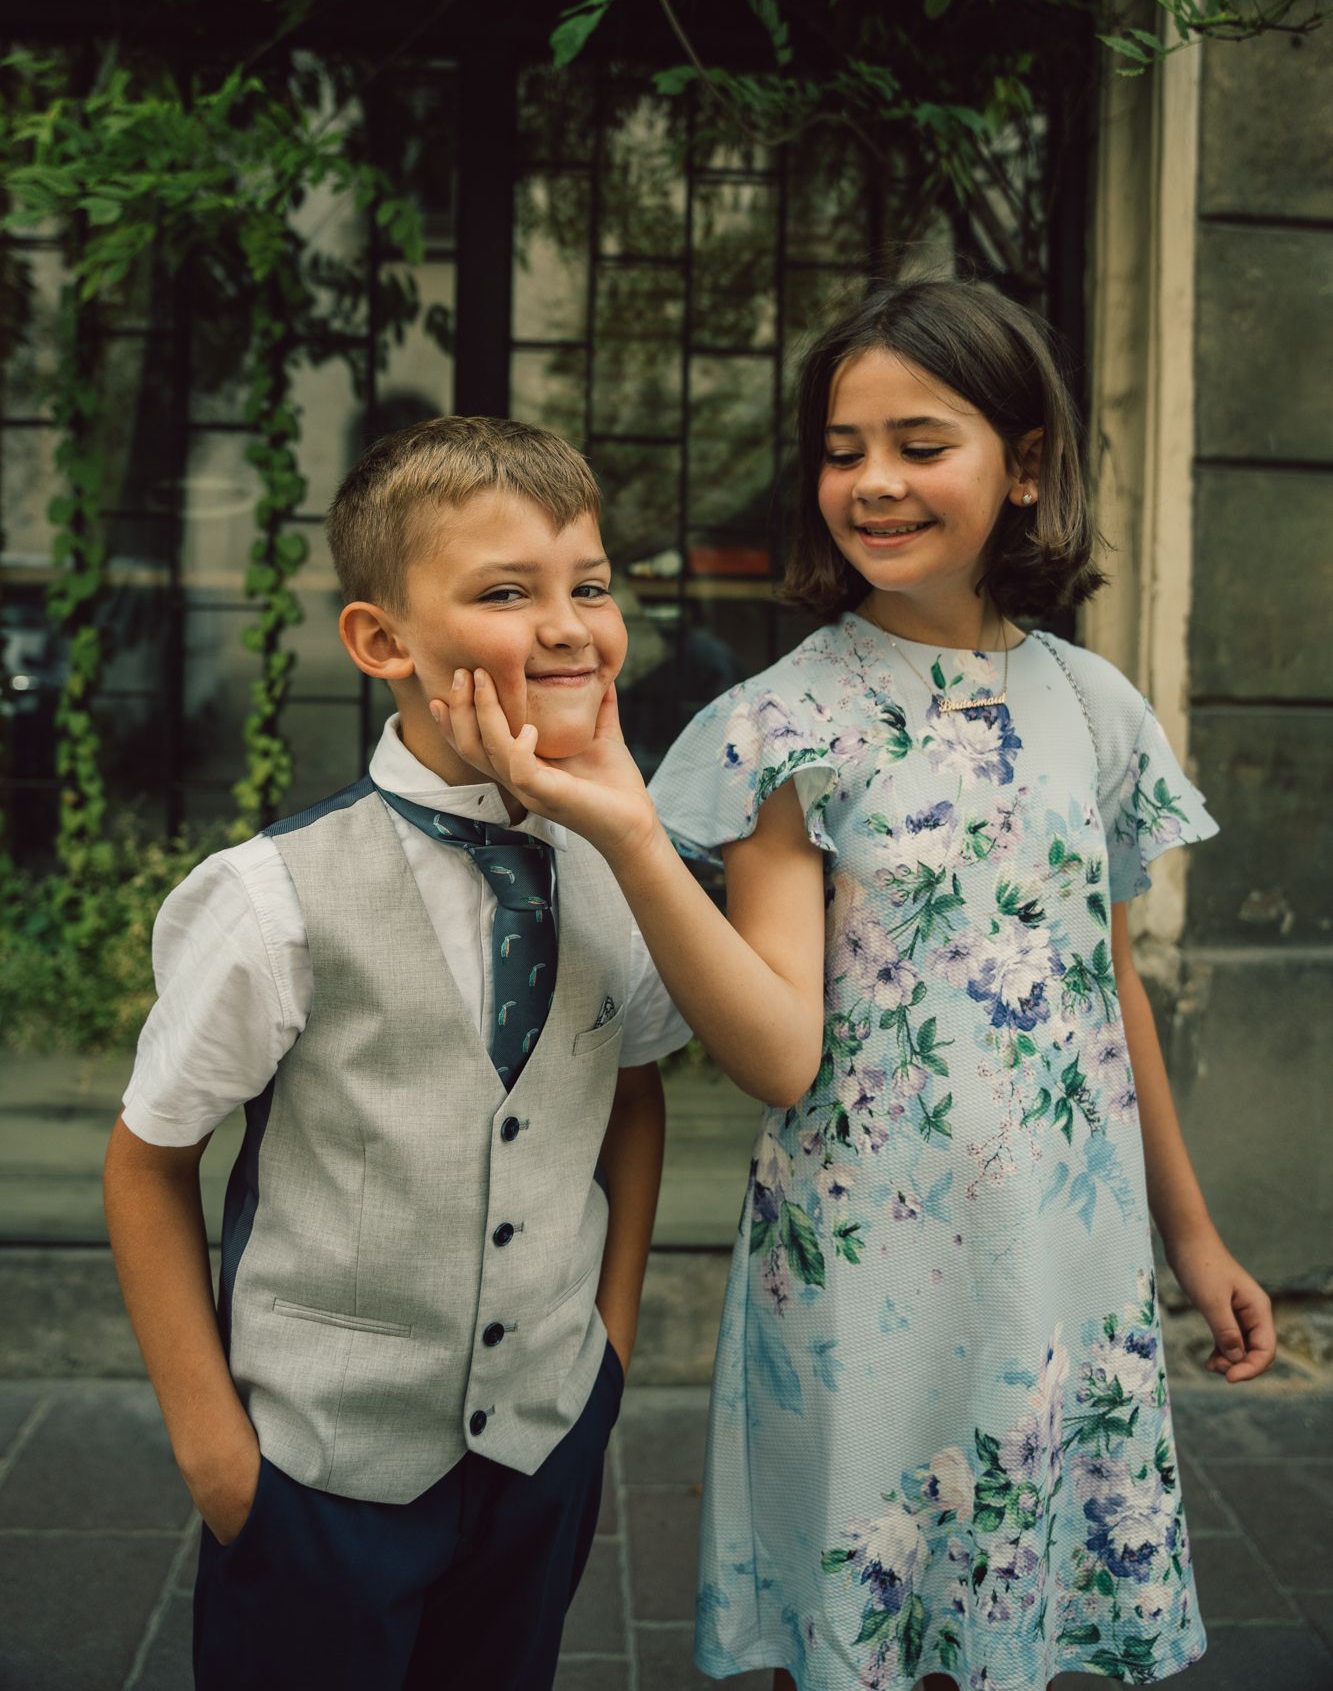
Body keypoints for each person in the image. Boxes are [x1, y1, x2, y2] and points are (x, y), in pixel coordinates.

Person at [432, 282, 1276, 1691]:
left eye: (917, 441)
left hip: (1066, 1266)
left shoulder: (1094, 707)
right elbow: (775, 1057)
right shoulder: (788, 722)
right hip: (866, 1264)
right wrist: (632, 833)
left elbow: (1107, 991)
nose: (871, 481)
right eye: (841, 447)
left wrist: (1191, 1239)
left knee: (1019, 1622)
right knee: (868, 1640)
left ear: (1023, 464)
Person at [103, 416, 688, 1691]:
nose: (569, 623)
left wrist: (610, 1341)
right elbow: (147, 1162)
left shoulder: (620, 865)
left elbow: (630, 1096)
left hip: (542, 1444)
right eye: (504, 590)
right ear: (381, 640)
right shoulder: (273, 896)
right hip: (319, 1468)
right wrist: (218, 1451)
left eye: (588, 583)